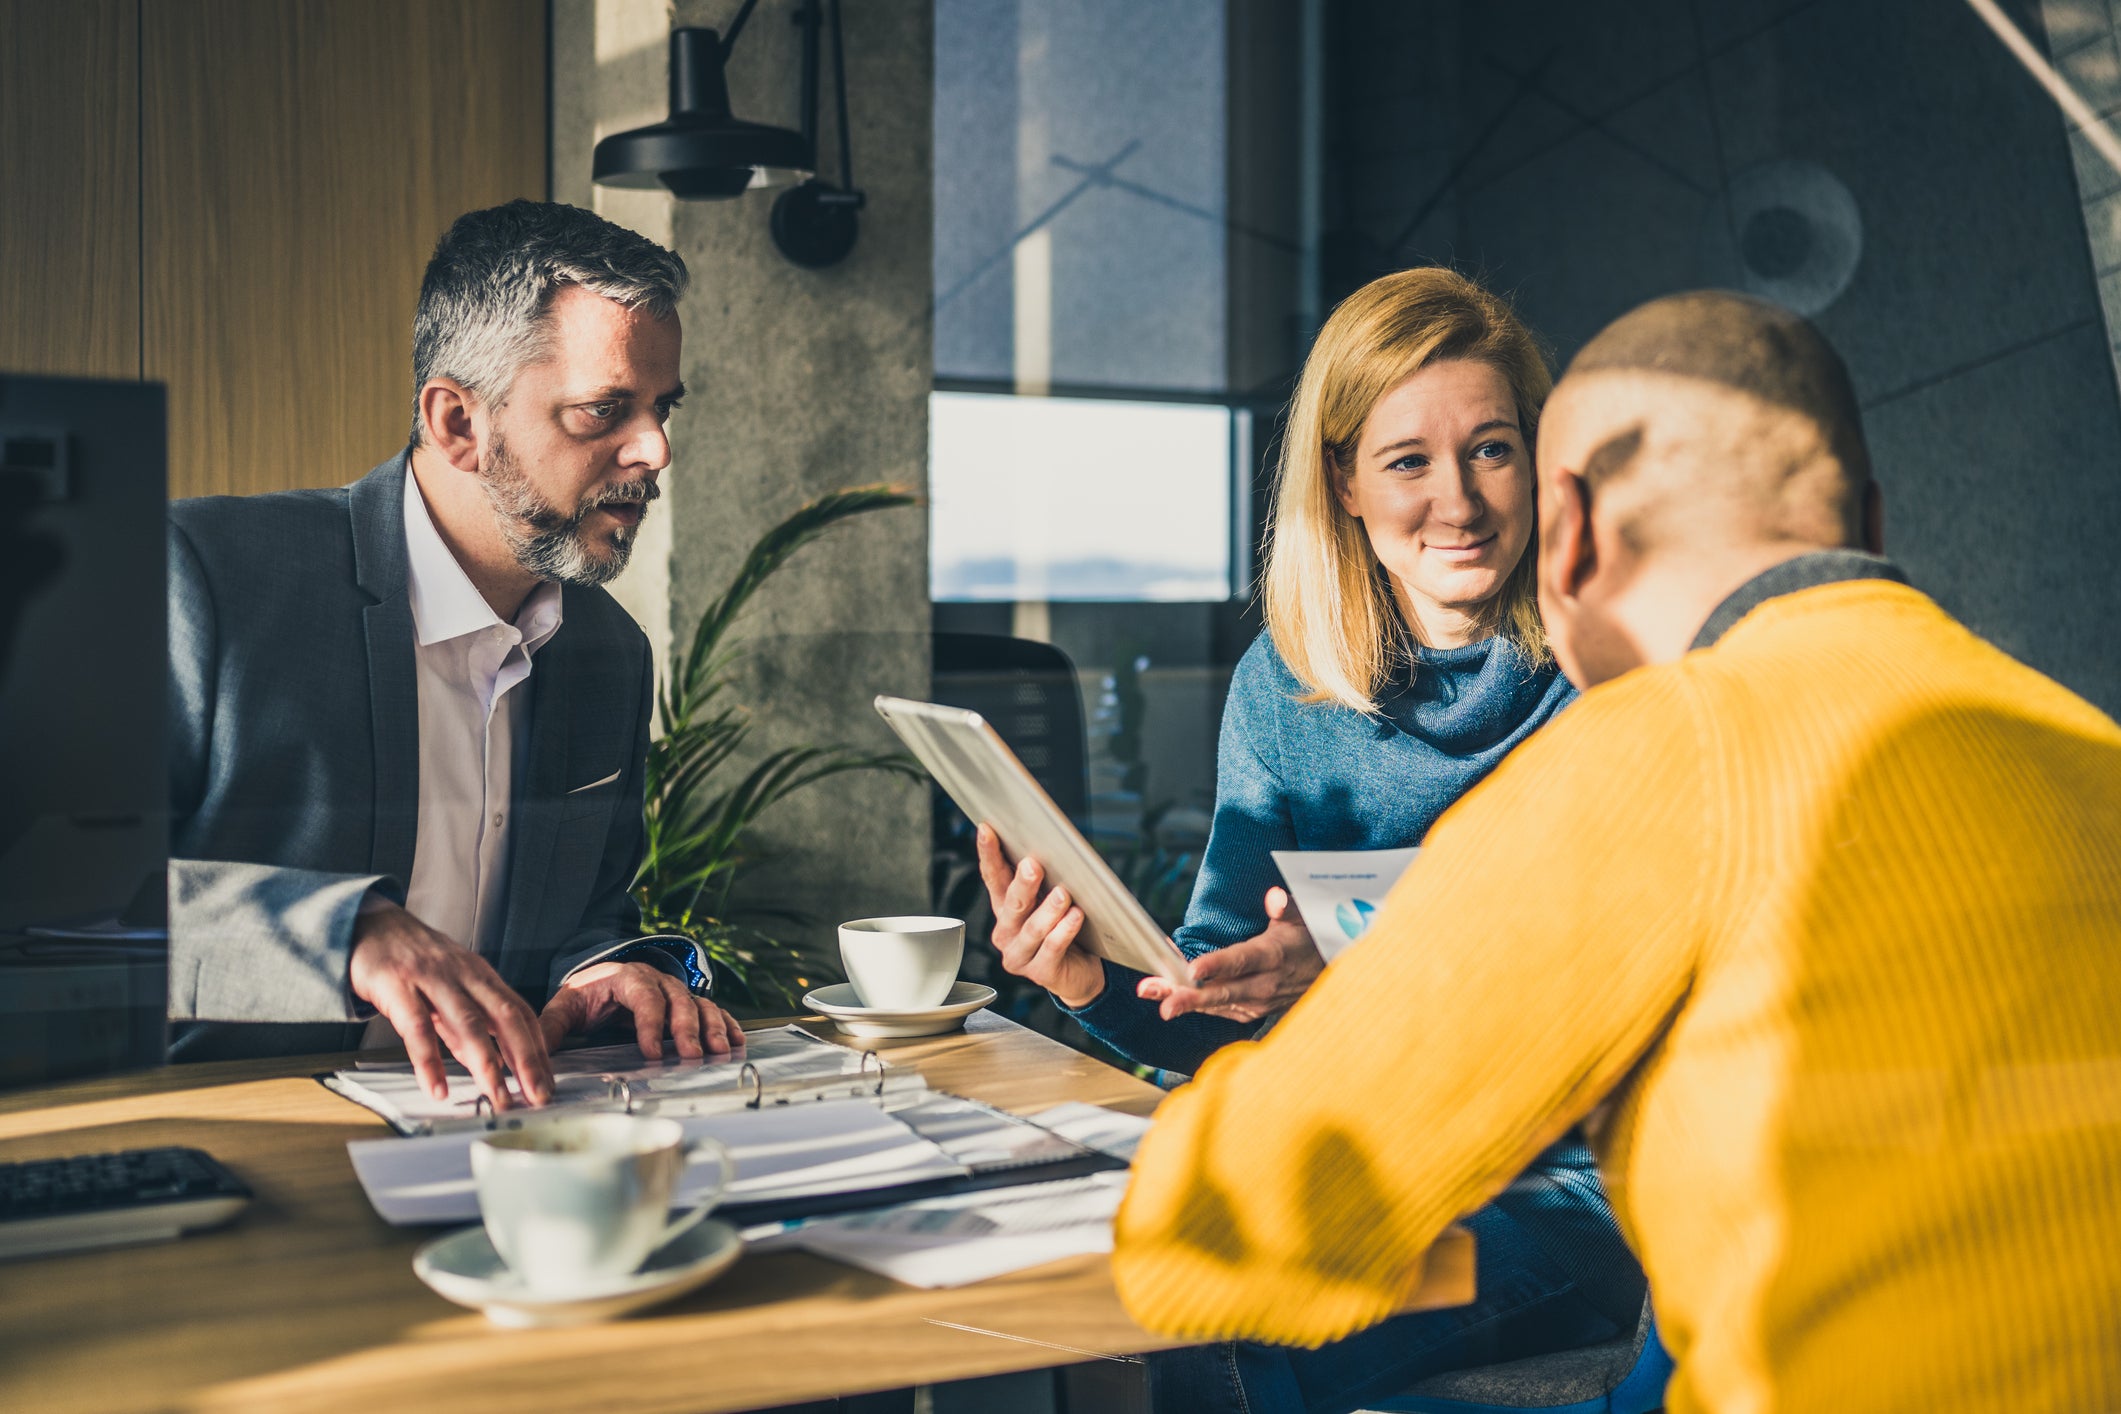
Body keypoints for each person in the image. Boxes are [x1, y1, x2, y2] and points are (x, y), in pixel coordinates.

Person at [1111, 291, 2121, 1412]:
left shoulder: (1656, 749)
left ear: (1569, 524)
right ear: (1871, 524)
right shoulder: (2086, 745)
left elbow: (1220, 1226)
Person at [978, 268, 1646, 1411]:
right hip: (1367, 1162)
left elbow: (1612, 979)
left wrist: (1351, 963)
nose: (1460, 502)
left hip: (1575, 1186)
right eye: (1407, 462)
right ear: (1341, 480)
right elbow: (1215, 1011)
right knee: (1159, 1298)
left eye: (1491, 449)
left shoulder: (1616, 665)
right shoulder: (1284, 690)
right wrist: (1095, 980)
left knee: (1252, 1345)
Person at [167, 200, 741, 1109]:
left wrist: (602, 969)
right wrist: (340, 932)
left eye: (661, 408)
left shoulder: (608, 653)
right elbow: (49, 914)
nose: (655, 449)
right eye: (605, 410)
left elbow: (588, 913)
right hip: (234, 1151)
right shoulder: (207, 581)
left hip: (512, 1145)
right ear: (457, 423)